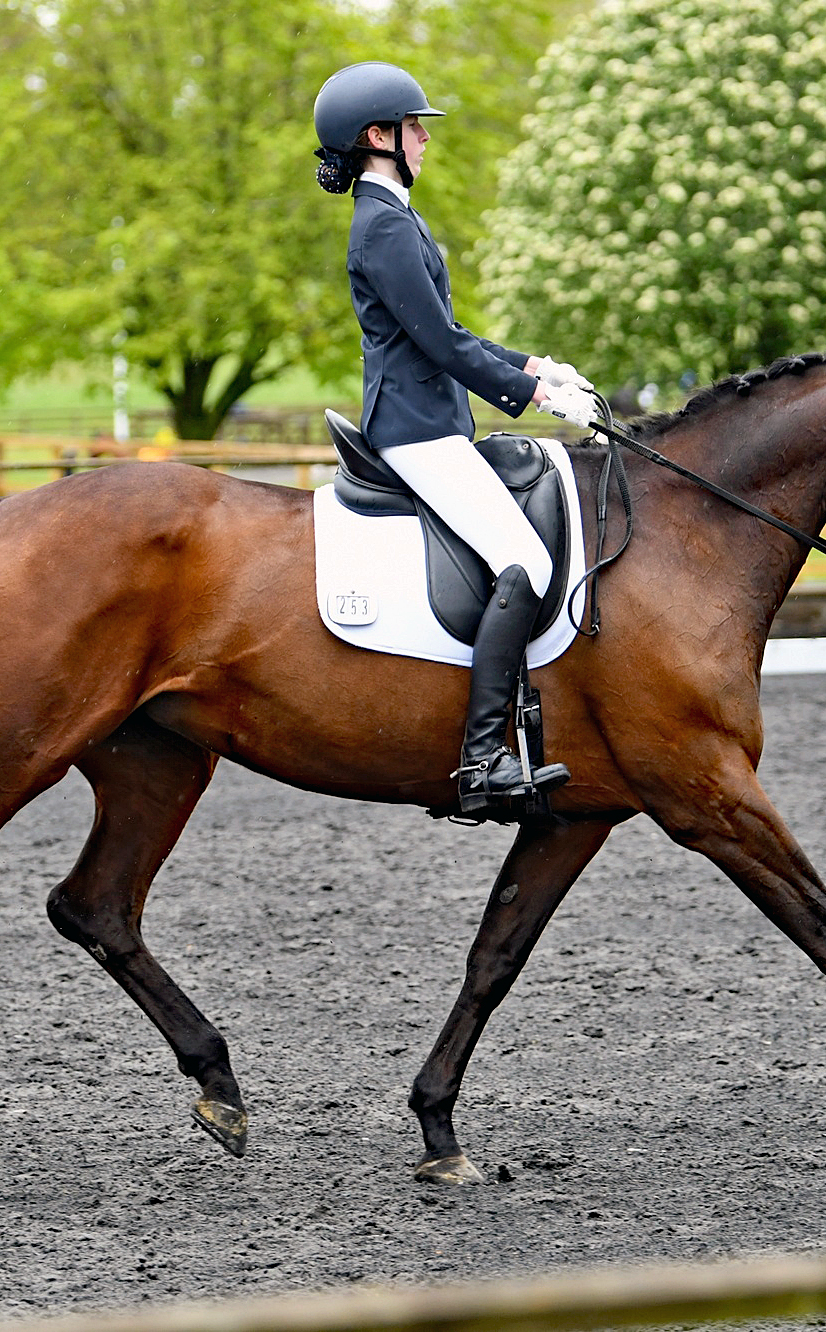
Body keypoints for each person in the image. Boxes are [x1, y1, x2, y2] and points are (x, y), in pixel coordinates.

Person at [314, 61, 595, 817]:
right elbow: (438, 342)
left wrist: (539, 366)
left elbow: (452, 331)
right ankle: (481, 761)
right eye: (415, 127)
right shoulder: (381, 225)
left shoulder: (396, 216)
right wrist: (534, 398)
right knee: (525, 562)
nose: (425, 139)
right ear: (378, 138)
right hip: (417, 432)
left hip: (432, 424)